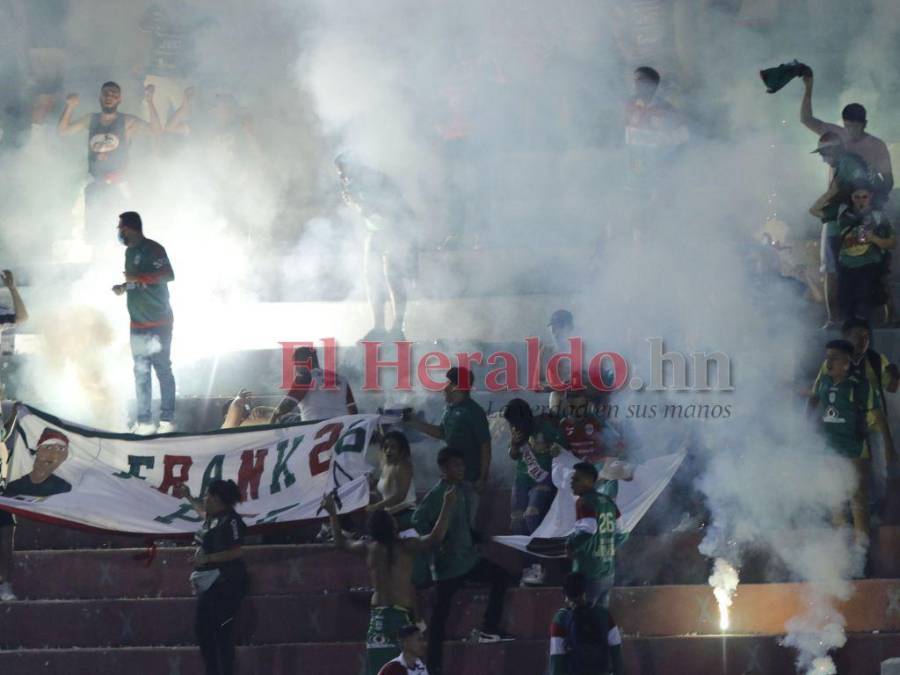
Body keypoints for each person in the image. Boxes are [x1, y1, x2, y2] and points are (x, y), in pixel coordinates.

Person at [320, 483, 456, 675]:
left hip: (377, 619)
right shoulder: (406, 547)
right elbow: (435, 537)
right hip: (400, 618)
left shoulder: (368, 548)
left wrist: (332, 513)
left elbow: (340, 542)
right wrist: (447, 505)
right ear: (393, 527)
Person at [413, 447, 514, 675]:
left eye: (461, 465)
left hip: (468, 561)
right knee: (439, 618)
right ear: (444, 469)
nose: (461, 469)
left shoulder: (463, 490)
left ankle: (489, 627)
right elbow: (419, 523)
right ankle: (433, 666)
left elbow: (463, 525)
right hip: (447, 567)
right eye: (455, 466)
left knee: (502, 576)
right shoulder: (436, 496)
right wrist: (435, 543)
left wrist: (475, 536)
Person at [57, 82, 162, 242]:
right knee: (94, 232)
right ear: (100, 97)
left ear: (119, 99)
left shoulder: (127, 121)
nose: (109, 98)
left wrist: (149, 101)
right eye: (106, 94)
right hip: (95, 183)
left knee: (119, 232)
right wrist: (70, 106)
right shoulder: (91, 119)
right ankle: (96, 259)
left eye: (114, 95)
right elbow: (63, 131)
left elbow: (156, 131)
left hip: (117, 184)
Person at [815, 319, 899, 517]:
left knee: (878, 474)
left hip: (871, 427)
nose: (863, 341)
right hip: (842, 430)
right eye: (857, 336)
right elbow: (818, 395)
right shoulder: (830, 363)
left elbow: (891, 387)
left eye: (866, 337)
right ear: (845, 337)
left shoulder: (878, 360)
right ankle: (843, 519)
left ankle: (874, 515)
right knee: (840, 476)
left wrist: (896, 376)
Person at [336, 153, 418, 340]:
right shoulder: (351, 184)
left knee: (393, 277)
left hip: (395, 229)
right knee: (372, 277)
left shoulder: (376, 180)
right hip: (375, 231)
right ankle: (379, 327)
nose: (342, 176)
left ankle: (398, 328)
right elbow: (366, 213)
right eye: (340, 172)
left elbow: (388, 210)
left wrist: (361, 205)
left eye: (344, 170)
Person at [174, 479, 248, 675]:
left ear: (216, 498)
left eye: (207, 495)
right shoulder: (212, 518)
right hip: (211, 585)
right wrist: (188, 496)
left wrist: (208, 558)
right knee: (204, 631)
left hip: (226, 585)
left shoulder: (230, 520)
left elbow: (236, 552)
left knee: (221, 633)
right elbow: (201, 511)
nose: (204, 499)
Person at [111, 211, 176, 435]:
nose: (119, 232)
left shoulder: (154, 249)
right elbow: (135, 282)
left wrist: (137, 279)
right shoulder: (129, 252)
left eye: (121, 228)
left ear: (131, 228)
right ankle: (144, 421)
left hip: (159, 322)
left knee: (162, 369)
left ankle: (167, 419)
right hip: (137, 324)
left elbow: (168, 275)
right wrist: (123, 287)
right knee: (141, 372)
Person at [807, 340, 875, 551]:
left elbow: (873, 415)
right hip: (829, 450)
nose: (829, 362)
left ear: (847, 361)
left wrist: (865, 434)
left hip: (854, 450)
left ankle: (862, 555)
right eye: (827, 357)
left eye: (834, 357)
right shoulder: (824, 382)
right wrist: (808, 424)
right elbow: (813, 400)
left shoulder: (860, 385)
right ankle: (841, 555)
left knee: (857, 502)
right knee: (835, 499)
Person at [403, 367, 491, 526]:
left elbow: (485, 445)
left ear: (458, 387)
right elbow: (440, 433)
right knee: (451, 523)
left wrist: (482, 477)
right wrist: (413, 422)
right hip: (452, 478)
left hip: (469, 478)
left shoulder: (474, 412)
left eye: (450, 383)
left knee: (466, 524)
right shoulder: (449, 410)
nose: (445, 387)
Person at [800, 68, 893, 205]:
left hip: (865, 204)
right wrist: (809, 87)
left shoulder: (877, 146)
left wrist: (875, 203)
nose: (851, 131)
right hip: (837, 203)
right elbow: (806, 119)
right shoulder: (836, 134)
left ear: (864, 124)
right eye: (848, 126)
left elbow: (888, 180)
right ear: (843, 123)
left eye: (856, 127)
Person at [0, 427, 72, 602]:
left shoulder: (62, 486)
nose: (54, 454)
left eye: (60, 450)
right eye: (49, 447)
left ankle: (5, 583)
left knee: (7, 531)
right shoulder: (17, 485)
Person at [809, 132, 871, 326]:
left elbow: (851, 191)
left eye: (823, 153)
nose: (822, 158)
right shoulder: (846, 164)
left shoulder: (847, 163)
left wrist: (820, 206)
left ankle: (835, 319)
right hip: (850, 224)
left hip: (840, 226)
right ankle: (848, 318)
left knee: (831, 272)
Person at [503, 398, 564, 585]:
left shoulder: (544, 426)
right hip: (521, 480)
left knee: (531, 516)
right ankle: (529, 566)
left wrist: (554, 449)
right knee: (516, 521)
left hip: (543, 479)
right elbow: (513, 455)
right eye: (512, 424)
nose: (515, 426)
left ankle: (540, 566)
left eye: (517, 422)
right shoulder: (516, 431)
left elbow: (563, 447)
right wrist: (513, 445)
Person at [835, 184, 895, 321]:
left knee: (864, 308)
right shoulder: (844, 215)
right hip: (846, 267)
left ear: (871, 197)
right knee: (845, 307)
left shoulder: (880, 217)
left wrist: (873, 238)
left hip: (869, 267)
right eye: (857, 197)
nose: (861, 201)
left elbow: (892, 243)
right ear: (851, 197)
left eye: (864, 197)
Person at [567, 462, 621, 609]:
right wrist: (608, 547)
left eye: (576, 479)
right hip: (607, 571)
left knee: (583, 617)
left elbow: (588, 529)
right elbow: (622, 533)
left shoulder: (584, 501)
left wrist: (570, 544)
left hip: (588, 571)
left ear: (589, 482)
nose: (571, 482)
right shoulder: (609, 502)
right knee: (600, 618)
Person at [549, 572, 624, 675]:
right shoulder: (604, 614)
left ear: (567, 595)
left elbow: (557, 658)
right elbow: (616, 652)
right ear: (586, 592)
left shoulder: (561, 618)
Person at [270, 346, 357, 425]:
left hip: (316, 432)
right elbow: (353, 410)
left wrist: (274, 416)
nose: (295, 368)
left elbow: (287, 405)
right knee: (296, 417)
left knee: (285, 419)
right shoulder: (341, 379)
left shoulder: (304, 376)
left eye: (295, 364)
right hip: (343, 429)